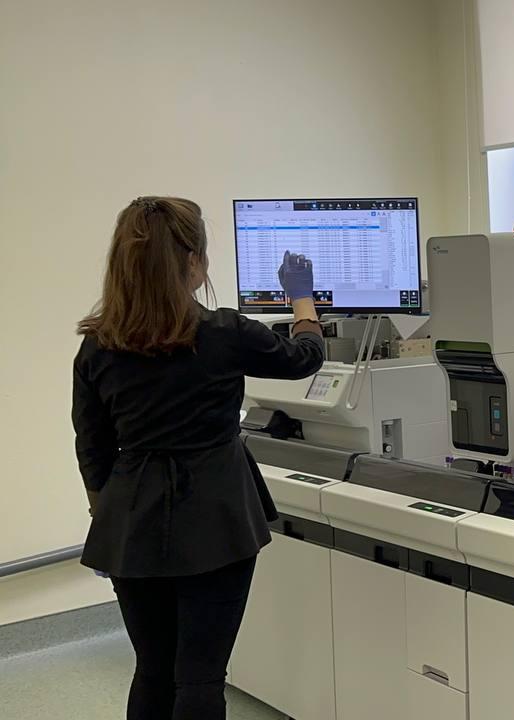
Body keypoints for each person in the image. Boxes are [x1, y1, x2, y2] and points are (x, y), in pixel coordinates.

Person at [72, 196, 326, 720]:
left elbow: (91, 445)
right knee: (200, 678)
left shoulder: (99, 344)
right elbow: (304, 359)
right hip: (218, 520)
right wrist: (302, 297)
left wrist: (110, 512)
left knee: (152, 669)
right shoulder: (225, 333)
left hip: (132, 523)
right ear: (192, 262)